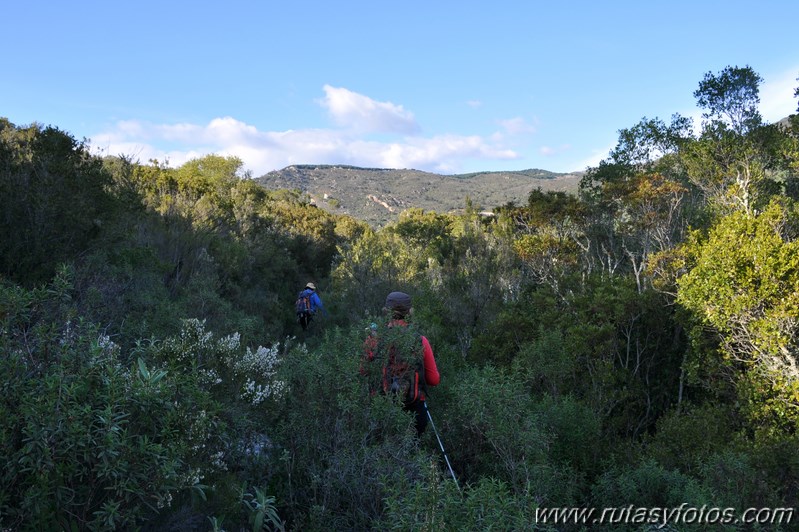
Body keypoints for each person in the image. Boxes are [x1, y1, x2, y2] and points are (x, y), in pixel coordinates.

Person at [364, 291, 440, 436]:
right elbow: (434, 380)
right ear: (409, 312)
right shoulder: (420, 341)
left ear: (386, 311)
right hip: (414, 412)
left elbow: (363, 371)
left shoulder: (374, 340)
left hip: (382, 409)